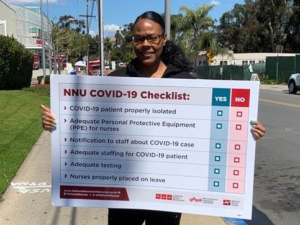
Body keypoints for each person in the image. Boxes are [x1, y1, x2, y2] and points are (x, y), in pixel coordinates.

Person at [41, 11, 266, 225]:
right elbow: (88, 124)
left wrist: (248, 131)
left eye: (152, 38)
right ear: (133, 41)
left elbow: (205, 132)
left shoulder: (184, 81)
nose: (145, 44)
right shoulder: (115, 79)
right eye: (139, 39)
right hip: (123, 196)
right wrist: (57, 123)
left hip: (167, 197)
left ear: (163, 39)